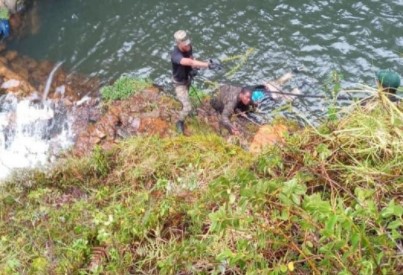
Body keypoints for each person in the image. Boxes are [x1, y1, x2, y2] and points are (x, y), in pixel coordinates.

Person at [211, 72, 299, 135]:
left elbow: (251, 92)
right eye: (247, 98)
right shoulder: (233, 101)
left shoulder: (244, 92)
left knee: (278, 87)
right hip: (265, 92)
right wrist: (231, 127)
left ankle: (293, 73)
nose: (248, 99)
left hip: (265, 91)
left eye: (249, 97)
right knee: (279, 91)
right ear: (241, 95)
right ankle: (296, 88)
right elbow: (224, 117)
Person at [171, 30, 219, 134]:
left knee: (186, 97)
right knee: (188, 107)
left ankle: (183, 104)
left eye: (188, 43)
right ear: (179, 44)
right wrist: (208, 65)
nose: (188, 46)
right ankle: (179, 122)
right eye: (185, 44)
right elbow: (188, 61)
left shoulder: (188, 47)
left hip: (187, 79)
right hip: (179, 83)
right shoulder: (175, 55)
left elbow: (192, 60)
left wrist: (194, 69)